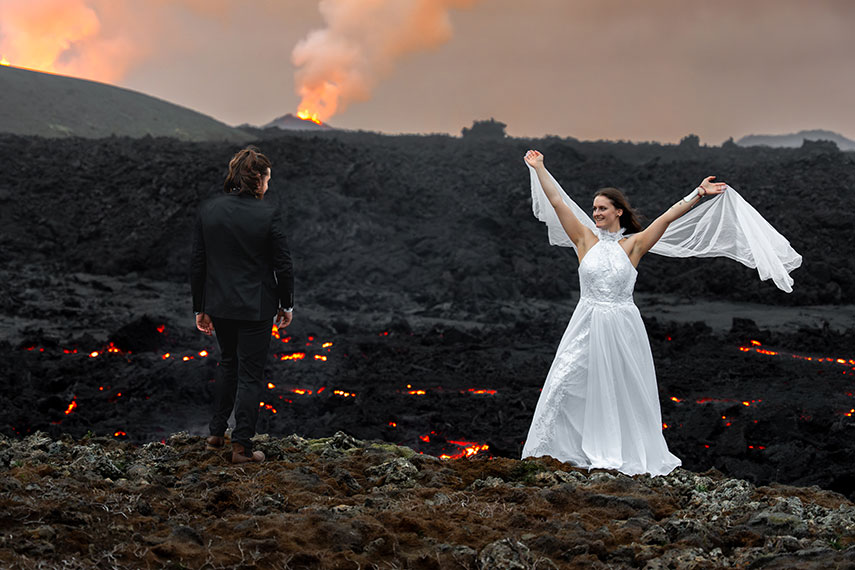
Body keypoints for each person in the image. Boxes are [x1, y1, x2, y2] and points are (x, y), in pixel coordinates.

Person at [520, 149, 801, 476]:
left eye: (601, 208)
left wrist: (697, 193)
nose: (595, 213)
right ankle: (554, 448)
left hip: (623, 326)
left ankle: (624, 451)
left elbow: (667, 217)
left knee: (625, 389)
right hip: (588, 321)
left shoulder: (635, 245)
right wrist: (540, 168)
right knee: (565, 380)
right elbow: (558, 203)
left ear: (618, 212)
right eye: (594, 208)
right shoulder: (584, 240)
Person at [191, 146, 294, 464]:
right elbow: (284, 264)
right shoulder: (267, 213)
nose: (269, 184)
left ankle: (215, 433)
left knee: (228, 364)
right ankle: (242, 448)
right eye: (267, 178)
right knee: (250, 374)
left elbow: (199, 261)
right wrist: (286, 305)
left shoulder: (210, 209)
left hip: (220, 305)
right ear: (258, 179)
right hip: (256, 307)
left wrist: (201, 307)